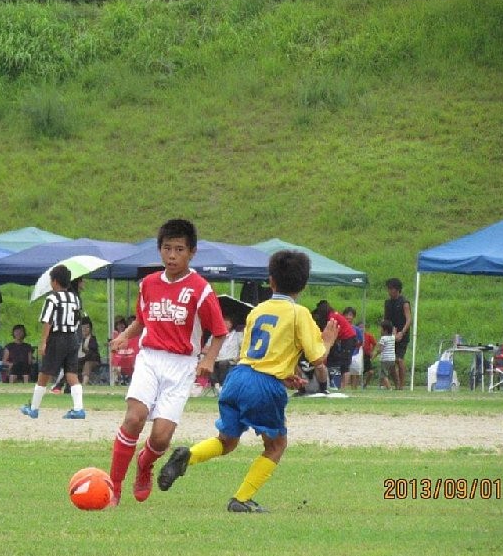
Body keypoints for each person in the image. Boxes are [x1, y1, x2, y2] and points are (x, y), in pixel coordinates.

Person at [156, 250, 339, 513]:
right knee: (276, 445)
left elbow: (258, 354)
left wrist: (285, 374)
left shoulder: (257, 311)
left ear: (271, 281)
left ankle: (188, 456)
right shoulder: (299, 313)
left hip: (238, 377)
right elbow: (317, 358)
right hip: (263, 386)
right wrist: (328, 341)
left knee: (227, 441)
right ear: (304, 285)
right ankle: (241, 499)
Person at [107, 219, 228, 506]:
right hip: (150, 359)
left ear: (192, 252)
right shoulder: (148, 284)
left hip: (182, 365)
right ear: (159, 249)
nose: (172, 256)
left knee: (161, 438)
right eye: (167, 248)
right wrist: (124, 336)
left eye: (179, 249)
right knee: (134, 418)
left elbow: (220, 331)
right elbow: (142, 320)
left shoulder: (201, 289)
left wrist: (209, 359)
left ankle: (144, 464)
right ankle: (113, 487)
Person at [21, 264, 85, 419]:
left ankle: (34, 408)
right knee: (71, 373)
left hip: (57, 338)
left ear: (55, 281)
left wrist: (43, 342)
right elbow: (77, 319)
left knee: (44, 373)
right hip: (72, 337)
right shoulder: (75, 298)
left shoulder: (52, 298)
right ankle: (78, 408)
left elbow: (48, 321)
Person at [312, 300, 357, 390]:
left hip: (348, 339)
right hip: (345, 339)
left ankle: (343, 387)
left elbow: (330, 332)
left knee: (345, 364)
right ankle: (340, 386)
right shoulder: (333, 315)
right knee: (343, 363)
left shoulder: (332, 317)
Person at [203, 313, 243, 393]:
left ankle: (222, 385)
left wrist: (239, 357)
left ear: (231, 325)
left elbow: (244, 348)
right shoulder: (215, 335)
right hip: (216, 359)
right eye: (222, 322)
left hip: (231, 360)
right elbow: (205, 349)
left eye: (226, 323)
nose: (224, 324)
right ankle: (217, 385)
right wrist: (210, 354)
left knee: (223, 363)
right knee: (208, 363)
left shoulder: (238, 335)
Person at [384, 278, 411, 390]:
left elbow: (409, 320)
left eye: (391, 289)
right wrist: (390, 333)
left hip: (402, 334)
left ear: (397, 289)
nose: (389, 291)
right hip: (391, 334)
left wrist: (401, 333)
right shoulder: (387, 303)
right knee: (390, 362)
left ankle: (401, 385)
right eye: (388, 289)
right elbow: (386, 320)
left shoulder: (404, 303)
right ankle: (396, 384)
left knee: (399, 359)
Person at [373, 320, 396, 389]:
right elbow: (394, 333)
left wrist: (374, 356)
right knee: (387, 373)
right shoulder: (393, 337)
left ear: (385, 330)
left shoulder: (383, 338)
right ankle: (383, 386)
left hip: (385, 359)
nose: (380, 330)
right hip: (392, 359)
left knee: (383, 375)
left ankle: (389, 388)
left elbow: (380, 350)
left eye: (381, 329)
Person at [358, 322, 377, 389]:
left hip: (366, 356)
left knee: (371, 372)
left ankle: (365, 384)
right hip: (358, 355)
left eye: (363, 327)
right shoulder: (356, 335)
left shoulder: (369, 336)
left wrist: (372, 351)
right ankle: (357, 384)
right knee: (358, 371)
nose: (362, 329)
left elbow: (374, 343)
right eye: (360, 327)